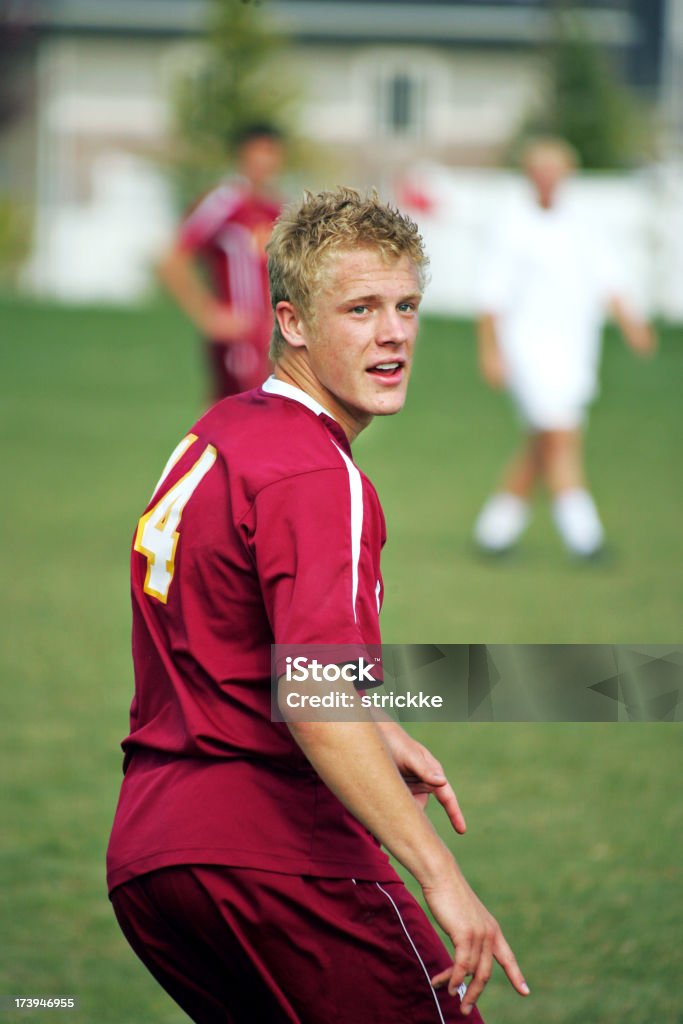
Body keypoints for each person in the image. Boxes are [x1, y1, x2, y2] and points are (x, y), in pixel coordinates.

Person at [107, 187, 529, 1023]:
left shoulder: (221, 431)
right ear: (293, 322)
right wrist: (441, 876)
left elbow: (228, 649)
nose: (394, 333)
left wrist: (375, 725)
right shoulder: (317, 475)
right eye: (361, 308)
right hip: (272, 851)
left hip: (152, 855)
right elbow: (315, 695)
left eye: (406, 306)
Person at [473, 138, 655, 558]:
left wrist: (632, 324)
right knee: (559, 436)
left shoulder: (582, 223)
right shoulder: (512, 225)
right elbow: (491, 296)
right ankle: (584, 536)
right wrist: (490, 350)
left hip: (575, 348)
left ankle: (494, 532)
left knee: (545, 439)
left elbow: (610, 278)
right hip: (529, 349)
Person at [157, 123, 285, 403]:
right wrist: (207, 313)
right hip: (239, 335)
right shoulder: (225, 202)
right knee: (240, 418)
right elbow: (173, 259)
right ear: (242, 157)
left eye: (270, 154)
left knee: (268, 423)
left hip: (272, 337)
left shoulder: (275, 209)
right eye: (257, 154)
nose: (264, 162)